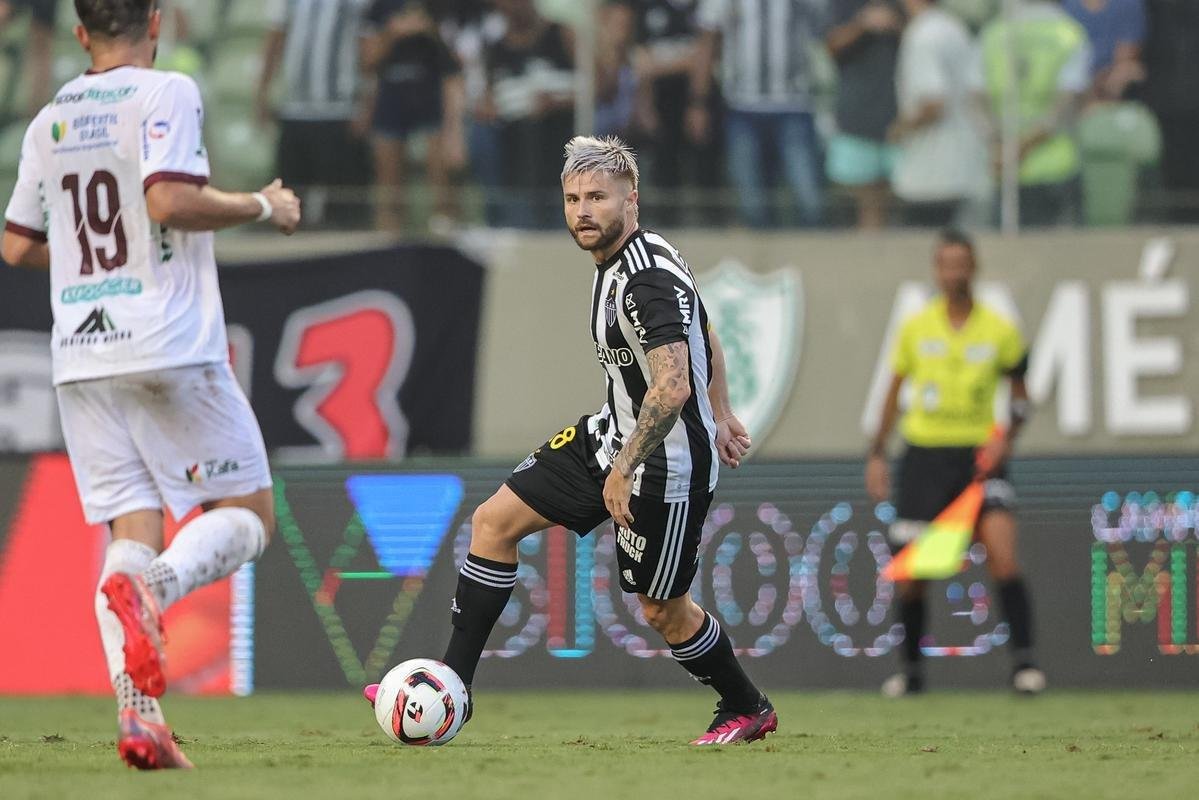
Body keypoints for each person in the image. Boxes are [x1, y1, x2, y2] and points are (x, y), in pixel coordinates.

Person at [366, 135, 775, 745]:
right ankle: (453, 688)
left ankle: (747, 706)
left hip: (664, 467)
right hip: (608, 436)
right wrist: (724, 408)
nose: (583, 211)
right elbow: (705, 327)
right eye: (573, 199)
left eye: (597, 198)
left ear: (631, 201)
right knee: (493, 522)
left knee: (663, 610)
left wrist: (629, 466)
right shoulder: (632, 256)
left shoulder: (644, 279)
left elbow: (670, 386)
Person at [2, 0, 301, 769]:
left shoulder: (48, 120)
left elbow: (17, 245)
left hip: (81, 354)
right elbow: (170, 200)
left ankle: (141, 721)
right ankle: (158, 590)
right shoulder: (167, 90)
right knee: (249, 515)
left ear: (80, 33)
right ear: (157, 22)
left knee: (130, 534)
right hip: (166, 341)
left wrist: (88, 266)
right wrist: (262, 203)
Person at [865, 229, 1045, 697]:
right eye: (946, 264)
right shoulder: (916, 327)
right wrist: (877, 453)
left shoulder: (999, 329)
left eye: (961, 264)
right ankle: (911, 672)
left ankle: (1025, 666)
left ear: (973, 267)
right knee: (913, 575)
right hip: (924, 457)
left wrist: (1007, 438)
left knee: (1003, 555)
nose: (954, 273)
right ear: (937, 270)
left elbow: (1021, 399)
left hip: (979, 458)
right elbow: (892, 395)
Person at [690, 0, 828, 228]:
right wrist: (698, 102)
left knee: (809, 201)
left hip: (794, 105)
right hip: (742, 108)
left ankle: (811, 250)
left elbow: (825, 29)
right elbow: (707, 42)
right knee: (751, 205)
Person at [972, 0, 1092, 228]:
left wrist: (1000, 146)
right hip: (1056, 166)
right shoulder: (1068, 33)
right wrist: (1022, 147)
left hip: (1004, 167)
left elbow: (976, 99)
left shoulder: (993, 32)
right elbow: (1066, 103)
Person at [258, 0, 372, 227]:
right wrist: (262, 93)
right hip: (295, 109)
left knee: (342, 203)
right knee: (290, 201)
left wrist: (366, 104)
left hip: (339, 110)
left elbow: (367, 47)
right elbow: (275, 38)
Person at [360, 0, 467, 233]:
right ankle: (389, 238)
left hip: (431, 93)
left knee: (441, 176)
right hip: (391, 95)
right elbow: (367, 62)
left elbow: (456, 63)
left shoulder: (442, 7)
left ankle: (444, 234)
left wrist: (430, 29)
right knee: (389, 183)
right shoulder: (379, 7)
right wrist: (392, 32)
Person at [890, 0, 989, 228]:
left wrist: (899, 129)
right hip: (964, 164)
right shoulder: (954, 27)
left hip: (929, 173)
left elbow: (933, 102)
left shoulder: (922, 36)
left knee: (927, 242)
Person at [479, 0, 575, 228]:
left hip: (559, 127)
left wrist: (557, 102)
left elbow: (598, 88)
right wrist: (490, 109)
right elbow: (486, 99)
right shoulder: (495, 49)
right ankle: (509, 219)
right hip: (511, 132)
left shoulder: (562, 35)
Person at [824, 0, 904, 229]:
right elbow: (831, 45)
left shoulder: (902, 5)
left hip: (900, 121)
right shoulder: (844, 4)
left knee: (898, 199)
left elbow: (923, 38)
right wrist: (863, 23)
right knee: (865, 198)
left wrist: (895, 24)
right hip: (857, 118)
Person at [1062, 0, 1146, 101]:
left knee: (1127, 71)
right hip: (1070, 77)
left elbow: (1126, 54)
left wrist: (1099, 82)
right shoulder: (1066, 5)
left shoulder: (1128, 4)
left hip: (1106, 76)